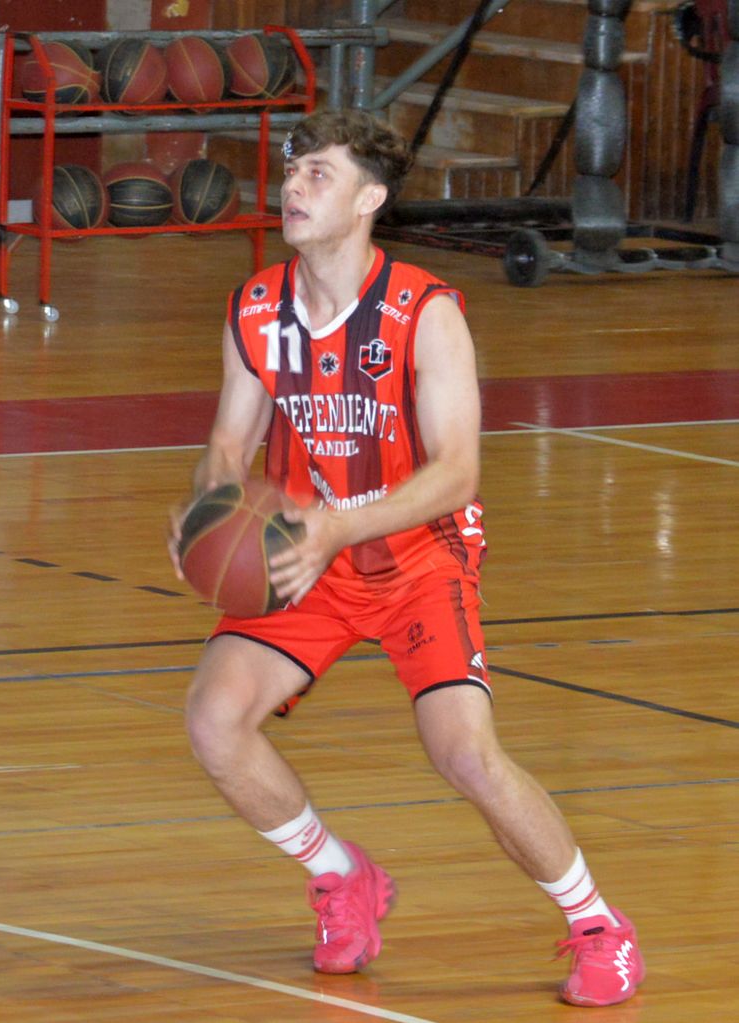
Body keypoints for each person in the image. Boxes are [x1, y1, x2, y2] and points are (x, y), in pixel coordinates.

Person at [173, 109, 643, 1007]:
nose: (295, 186)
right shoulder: (257, 306)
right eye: (293, 171)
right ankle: (342, 875)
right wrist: (210, 508)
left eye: (319, 174)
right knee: (213, 720)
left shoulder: (424, 313)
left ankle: (597, 924)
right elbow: (229, 444)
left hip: (418, 557)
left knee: (463, 751)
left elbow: (458, 472)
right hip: (305, 562)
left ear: (370, 199)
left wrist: (341, 529)